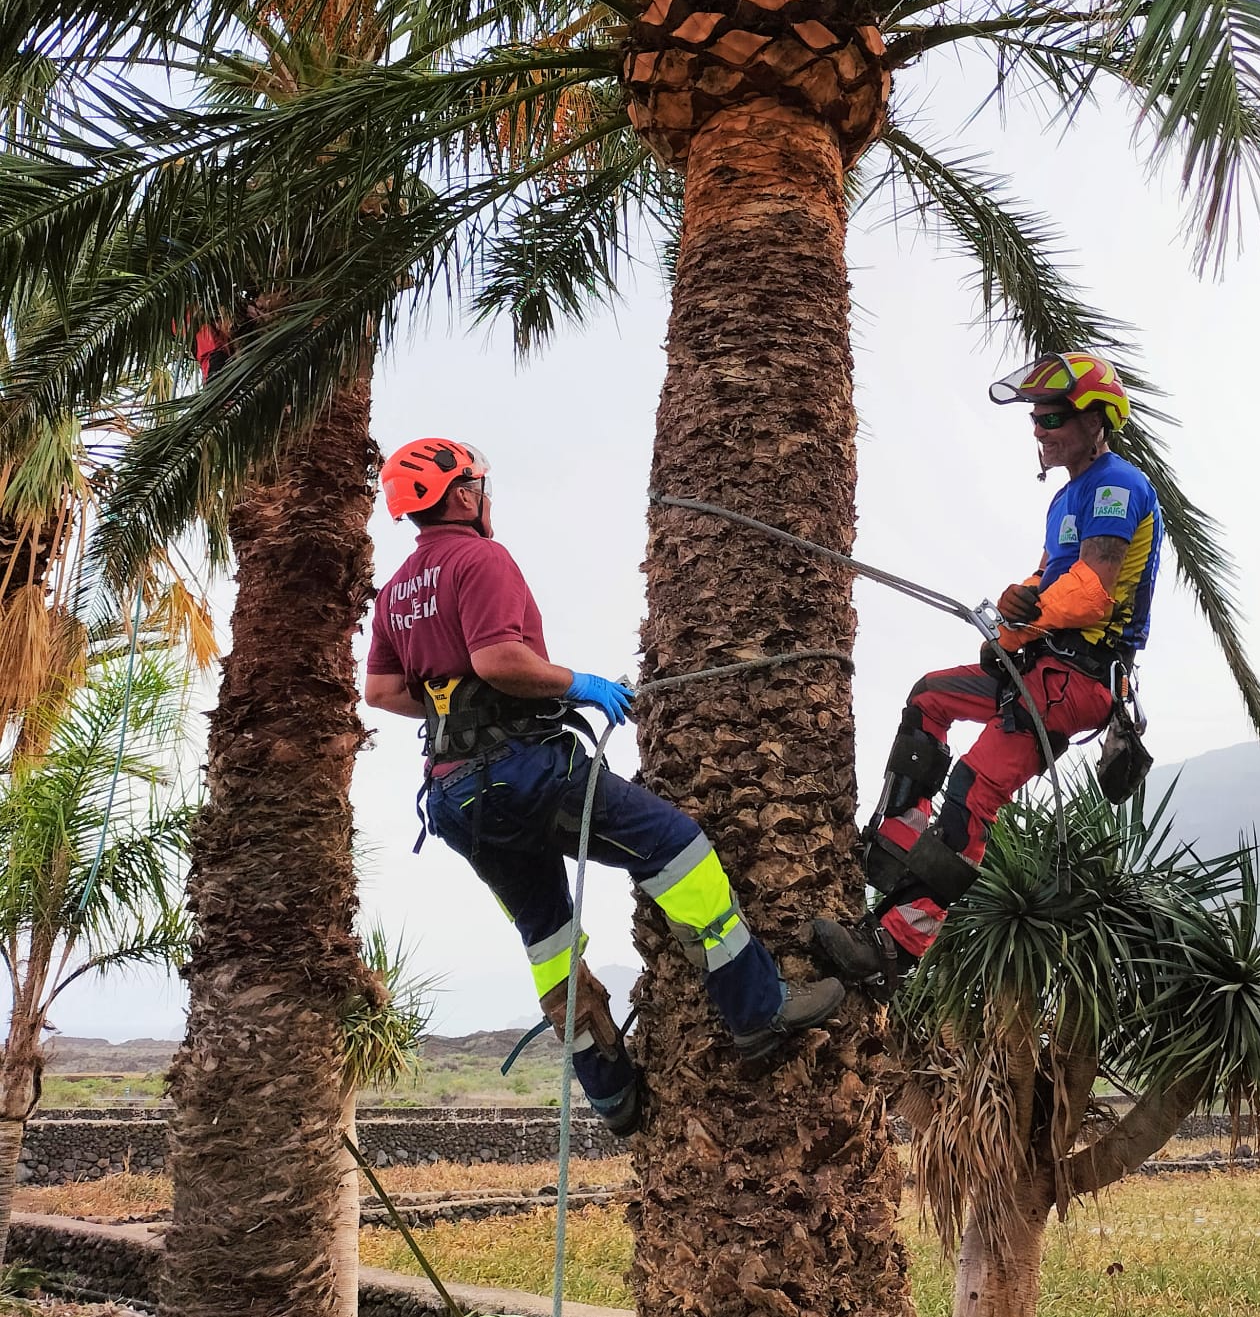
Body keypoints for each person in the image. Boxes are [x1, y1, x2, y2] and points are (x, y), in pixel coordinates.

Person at [364, 438, 845, 1134]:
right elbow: (499, 658)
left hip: (453, 797)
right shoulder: (480, 559)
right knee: (675, 849)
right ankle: (756, 1008)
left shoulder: (399, 591)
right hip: (521, 772)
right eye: (482, 485)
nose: (486, 496)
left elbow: (382, 691)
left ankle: (611, 1089)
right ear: (463, 495)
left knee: (546, 938)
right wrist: (575, 686)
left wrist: (461, 708)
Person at [812, 353, 1162, 991]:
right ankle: (898, 841)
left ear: (1097, 419)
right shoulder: (1067, 499)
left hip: (1074, 683)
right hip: (1040, 665)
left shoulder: (1117, 486)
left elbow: (1089, 592)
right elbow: (1050, 579)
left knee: (975, 787)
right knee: (931, 699)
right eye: (1036, 418)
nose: (1040, 427)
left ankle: (897, 948)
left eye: (1054, 416)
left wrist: (1021, 622)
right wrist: (1013, 605)